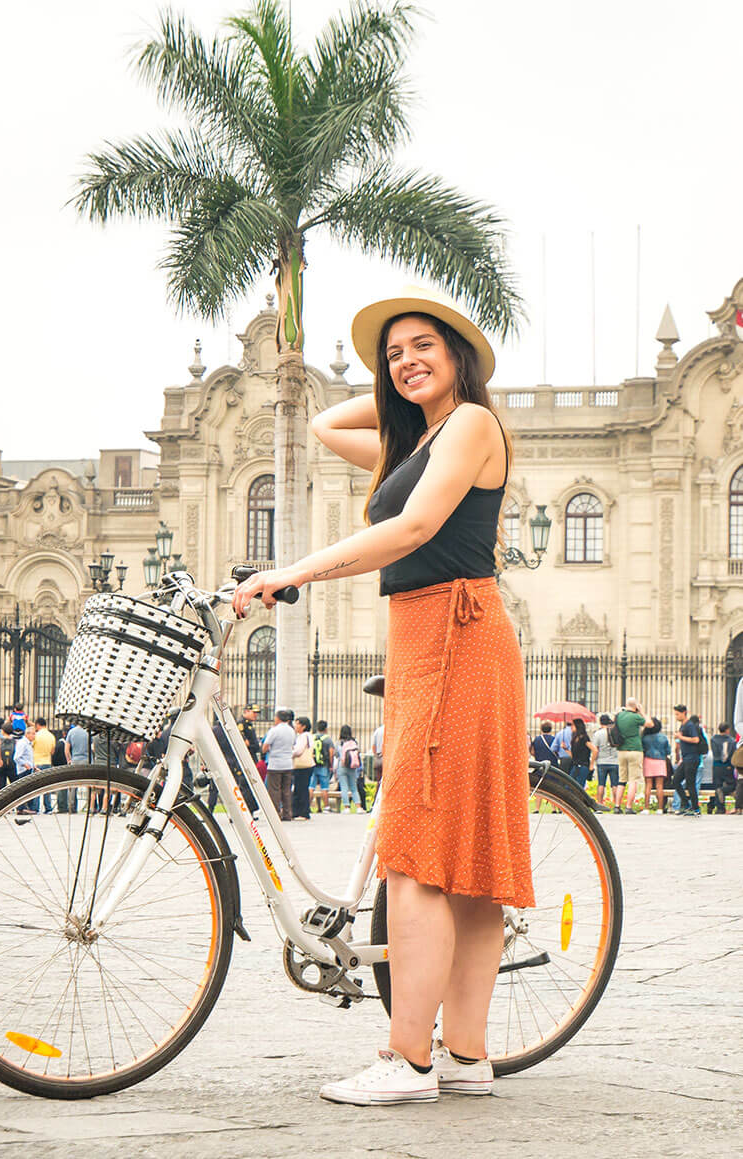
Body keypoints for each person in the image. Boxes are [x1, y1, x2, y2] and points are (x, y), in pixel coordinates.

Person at [234, 288, 534, 1104]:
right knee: (463, 866)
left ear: (460, 357)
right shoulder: (423, 443)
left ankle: (408, 1060)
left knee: (417, 857)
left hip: (453, 635)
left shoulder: (470, 423)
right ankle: (465, 1054)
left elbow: (408, 531)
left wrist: (291, 569)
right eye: (393, 351)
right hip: (431, 639)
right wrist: (397, 387)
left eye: (423, 346)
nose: (406, 360)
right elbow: (332, 426)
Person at [613, 698, 654, 814]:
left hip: (621, 750)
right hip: (635, 750)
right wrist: (642, 711)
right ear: (635, 706)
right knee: (633, 780)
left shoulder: (619, 716)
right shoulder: (636, 717)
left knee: (621, 780)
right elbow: (650, 724)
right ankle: (629, 807)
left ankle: (617, 806)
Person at [261, 708, 295, 821]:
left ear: (278, 718)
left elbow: (265, 747)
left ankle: (275, 813)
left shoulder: (274, 730)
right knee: (286, 790)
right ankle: (287, 813)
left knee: (274, 789)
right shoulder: (291, 730)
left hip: (275, 764)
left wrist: (267, 749)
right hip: (288, 763)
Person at [672, 706, 706, 817]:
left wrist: (680, 737)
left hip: (692, 758)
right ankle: (686, 803)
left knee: (690, 783)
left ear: (684, 713)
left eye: (677, 714)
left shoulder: (690, 725)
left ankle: (695, 809)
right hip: (686, 758)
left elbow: (696, 740)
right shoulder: (683, 725)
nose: (676, 716)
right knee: (676, 780)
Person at [640, 717, 671, 813]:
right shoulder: (663, 737)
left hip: (648, 760)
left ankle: (646, 808)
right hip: (661, 761)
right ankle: (660, 808)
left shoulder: (644, 738)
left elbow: (642, 750)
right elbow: (668, 751)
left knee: (648, 785)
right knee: (659, 786)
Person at [590, 715, 620, 809]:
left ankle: (600, 803)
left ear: (600, 722)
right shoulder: (615, 732)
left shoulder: (598, 734)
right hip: (615, 761)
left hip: (601, 762)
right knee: (615, 785)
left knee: (601, 784)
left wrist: (592, 762)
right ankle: (616, 804)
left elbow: (595, 749)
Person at [529, 719, 557, 813]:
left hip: (540, 765)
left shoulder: (537, 739)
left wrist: (537, 756)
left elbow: (532, 751)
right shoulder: (554, 739)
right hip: (552, 765)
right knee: (553, 788)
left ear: (541, 729)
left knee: (539, 788)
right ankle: (553, 808)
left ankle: (537, 808)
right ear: (551, 729)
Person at [707, 722, 734, 814]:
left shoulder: (713, 739)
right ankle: (723, 791)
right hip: (728, 766)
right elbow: (732, 754)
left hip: (716, 766)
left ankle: (720, 808)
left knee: (717, 786)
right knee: (732, 785)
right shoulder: (731, 740)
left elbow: (715, 752)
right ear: (727, 730)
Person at [336, 725, 363, 812]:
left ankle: (346, 807)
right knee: (354, 787)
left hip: (342, 766)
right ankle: (358, 807)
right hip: (352, 766)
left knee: (344, 787)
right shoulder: (354, 742)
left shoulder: (339, 743)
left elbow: (337, 755)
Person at [291, 715, 314, 820]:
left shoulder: (303, 736)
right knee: (303, 788)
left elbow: (299, 750)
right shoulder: (309, 735)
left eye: (297, 724)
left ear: (303, 726)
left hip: (301, 765)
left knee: (300, 789)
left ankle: (302, 812)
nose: (295, 726)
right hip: (308, 765)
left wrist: (290, 753)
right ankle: (301, 811)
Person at [310, 720, 334, 812]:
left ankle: (308, 806)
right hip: (324, 766)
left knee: (311, 787)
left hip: (313, 764)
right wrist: (331, 764)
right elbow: (331, 753)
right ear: (326, 728)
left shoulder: (313, 737)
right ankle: (326, 807)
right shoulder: (328, 739)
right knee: (324, 788)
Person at [568, 718, 597, 790]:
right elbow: (573, 755)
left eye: (572, 725)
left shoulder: (584, 738)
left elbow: (595, 750)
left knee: (579, 787)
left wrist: (592, 764)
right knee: (569, 785)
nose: (571, 727)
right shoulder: (574, 738)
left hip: (583, 765)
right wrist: (565, 749)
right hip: (575, 765)